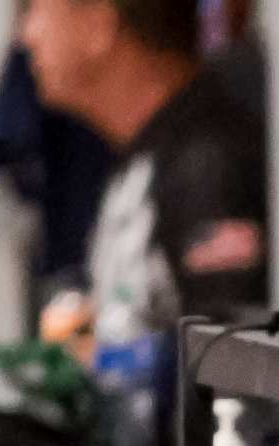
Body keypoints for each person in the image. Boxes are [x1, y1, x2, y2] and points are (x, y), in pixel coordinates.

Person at [16, 0, 265, 409]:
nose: (27, 35)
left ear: (100, 24)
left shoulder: (208, 160)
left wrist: (106, 356)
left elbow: (232, 360)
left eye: (37, 9)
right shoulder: (143, 157)